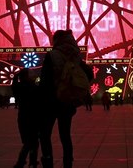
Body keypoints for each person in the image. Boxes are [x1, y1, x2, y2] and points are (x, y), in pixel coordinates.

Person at [39, 30, 94, 168]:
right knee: (65, 135)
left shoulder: (52, 55)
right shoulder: (75, 57)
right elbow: (89, 74)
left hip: (51, 101)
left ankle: (48, 161)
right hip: (67, 101)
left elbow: (45, 80)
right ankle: (68, 163)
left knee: (45, 134)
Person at [12, 68, 41, 168]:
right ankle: (24, 162)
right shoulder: (33, 87)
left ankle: (28, 161)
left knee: (28, 142)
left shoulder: (19, 87)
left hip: (23, 118)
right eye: (31, 73)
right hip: (33, 118)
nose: (33, 74)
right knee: (32, 142)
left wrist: (16, 75)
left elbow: (14, 85)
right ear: (26, 76)